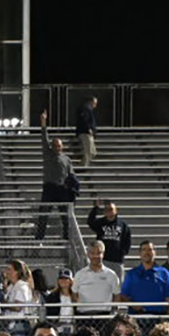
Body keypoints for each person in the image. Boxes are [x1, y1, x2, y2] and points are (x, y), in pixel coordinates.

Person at [35, 111, 76, 239]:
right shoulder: (47, 154)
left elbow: (71, 174)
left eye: (59, 145)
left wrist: (72, 188)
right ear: (51, 146)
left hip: (61, 188)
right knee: (44, 213)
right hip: (49, 187)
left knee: (64, 214)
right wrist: (43, 123)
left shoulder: (66, 159)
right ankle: (40, 236)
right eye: (55, 145)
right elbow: (44, 138)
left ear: (62, 147)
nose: (57, 147)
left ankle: (66, 236)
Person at [119, 241, 169, 316]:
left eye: (150, 250)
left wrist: (166, 317)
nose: (147, 252)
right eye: (144, 250)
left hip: (159, 316)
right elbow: (123, 296)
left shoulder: (164, 273)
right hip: (136, 316)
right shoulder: (131, 274)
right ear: (140, 254)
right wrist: (133, 305)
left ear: (155, 253)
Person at [71, 242, 121, 313]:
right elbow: (74, 295)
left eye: (99, 253)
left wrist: (113, 312)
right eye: (92, 253)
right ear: (88, 254)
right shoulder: (79, 274)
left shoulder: (112, 275)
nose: (95, 256)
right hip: (84, 316)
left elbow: (117, 296)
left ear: (103, 254)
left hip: (104, 316)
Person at [86, 201, 131, 266]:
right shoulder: (100, 223)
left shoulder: (122, 225)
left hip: (117, 260)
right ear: (104, 212)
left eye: (111, 209)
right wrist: (95, 208)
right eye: (106, 209)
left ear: (116, 211)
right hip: (103, 258)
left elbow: (127, 239)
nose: (108, 211)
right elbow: (90, 222)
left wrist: (123, 252)